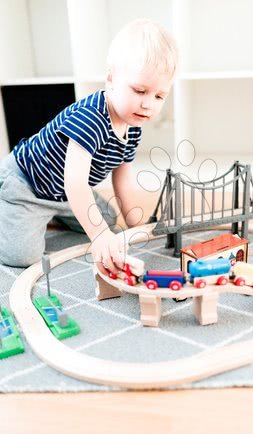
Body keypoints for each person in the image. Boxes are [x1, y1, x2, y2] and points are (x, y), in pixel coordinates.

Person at [0, 18, 178, 274]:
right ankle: (9, 207)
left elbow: (122, 179)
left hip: (63, 193)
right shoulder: (90, 118)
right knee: (22, 256)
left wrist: (134, 224)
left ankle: (54, 214)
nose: (148, 104)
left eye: (159, 96)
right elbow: (75, 183)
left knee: (107, 220)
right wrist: (99, 236)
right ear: (110, 79)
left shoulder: (133, 124)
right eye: (140, 91)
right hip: (28, 184)